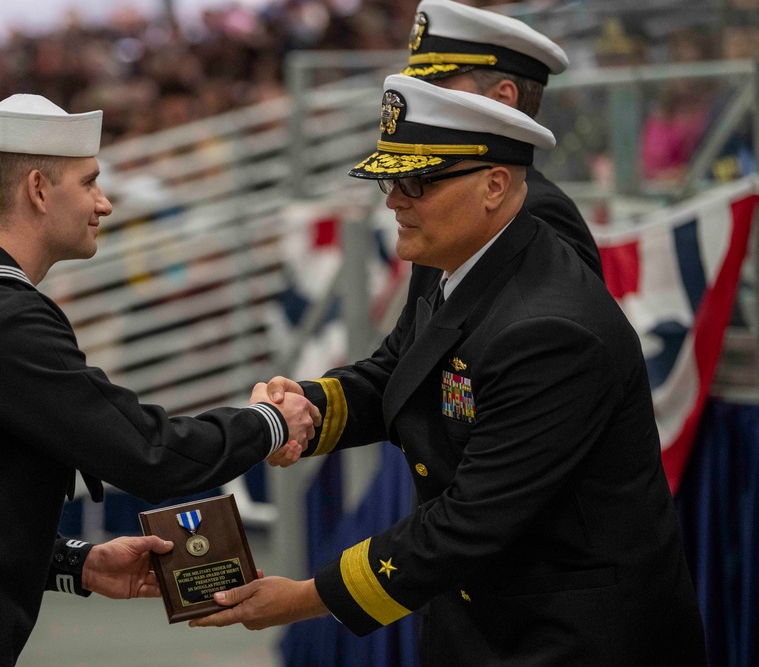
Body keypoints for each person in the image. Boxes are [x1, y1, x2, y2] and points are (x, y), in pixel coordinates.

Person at [190, 75, 707, 666]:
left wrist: (306, 598)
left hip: (567, 633)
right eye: (389, 178)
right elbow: (397, 372)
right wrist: (304, 411)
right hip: (482, 616)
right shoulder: (453, 259)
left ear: (494, 185)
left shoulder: (550, 329)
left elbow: (471, 520)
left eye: (417, 180)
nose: (392, 200)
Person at [0, 94, 320, 666]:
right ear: (37, 189)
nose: (103, 202)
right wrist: (271, 423)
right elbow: (149, 455)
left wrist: (77, 563)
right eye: (89, 182)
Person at [401, 0, 602, 283]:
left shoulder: (539, 212)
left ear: (503, 98)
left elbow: (560, 321)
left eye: (439, 85)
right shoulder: (442, 216)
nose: (422, 99)